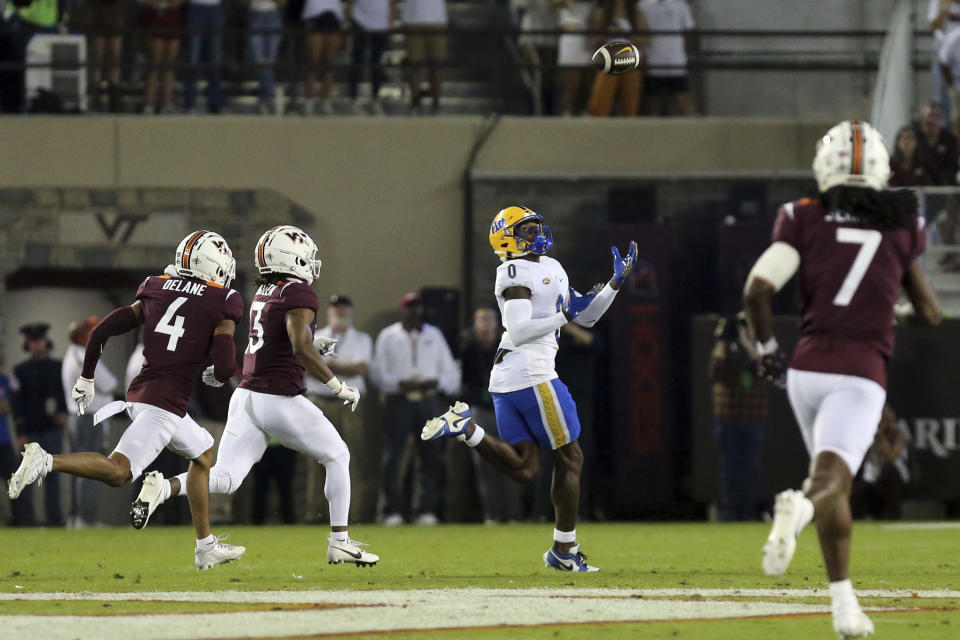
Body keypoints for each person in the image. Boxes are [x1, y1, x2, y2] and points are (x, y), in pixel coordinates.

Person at [742, 120, 942, 638]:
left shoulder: (802, 216)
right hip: (859, 373)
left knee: (835, 487)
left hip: (807, 371)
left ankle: (844, 606)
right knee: (828, 484)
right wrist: (892, 310)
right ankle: (798, 506)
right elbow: (931, 313)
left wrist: (766, 350)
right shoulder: (900, 224)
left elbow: (758, 290)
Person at [135, 225, 379, 566]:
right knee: (338, 455)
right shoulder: (300, 294)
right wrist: (337, 386)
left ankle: (164, 488)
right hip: (278, 399)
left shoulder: (266, 291)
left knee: (226, 477)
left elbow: (278, 341)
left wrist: (312, 343)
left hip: (246, 395)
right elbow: (298, 346)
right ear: (293, 259)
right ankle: (340, 540)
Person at [8, 230, 246, 569]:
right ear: (214, 266)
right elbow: (224, 365)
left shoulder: (156, 286)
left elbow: (103, 330)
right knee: (119, 471)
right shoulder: (224, 301)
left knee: (204, 453)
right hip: (162, 405)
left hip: (149, 395)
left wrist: (86, 376)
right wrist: (218, 375)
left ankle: (205, 545)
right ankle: (46, 461)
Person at [421, 205, 637, 571]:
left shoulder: (551, 266)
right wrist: (565, 315)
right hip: (532, 371)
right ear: (507, 237)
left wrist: (614, 284)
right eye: (527, 229)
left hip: (509, 377)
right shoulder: (513, 270)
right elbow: (520, 330)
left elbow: (587, 315)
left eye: (537, 226)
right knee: (572, 458)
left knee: (524, 469)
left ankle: (466, 428)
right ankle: (563, 551)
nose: (537, 233)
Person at [372, 291, 460, 526]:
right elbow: (378, 372)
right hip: (399, 400)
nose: (413, 312)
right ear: (402, 310)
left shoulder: (434, 335)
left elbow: (449, 371)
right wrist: (397, 384)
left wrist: (437, 383)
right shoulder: (388, 336)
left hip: (428, 399)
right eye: (409, 307)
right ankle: (391, 510)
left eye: (417, 307)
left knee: (430, 456)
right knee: (395, 456)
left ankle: (426, 509)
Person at [304, 294, 374, 523]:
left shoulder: (361, 338)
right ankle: (316, 513)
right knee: (316, 458)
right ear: (329, 311)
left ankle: (353, 514)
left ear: (351, 312)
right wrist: (338, 368)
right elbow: (304, 367)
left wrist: (324, 365)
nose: (340, 312)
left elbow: (360, 368)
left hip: (348, 403)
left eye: (344, 308)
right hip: (319, 402)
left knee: (351, 456)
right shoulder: (315, 336)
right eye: (336, 308)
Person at [458, 307, 522, 524]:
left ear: (497, 323)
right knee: (483, 464)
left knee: (511, 461)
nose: (485, 325)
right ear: (475, 325)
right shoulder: (467, 349)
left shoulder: (509, 346)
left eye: (489, 320)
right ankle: (491, 514)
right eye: (481, 320)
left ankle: (513, 514)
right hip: (479, 411)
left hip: (505, 411)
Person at [61, 316, 120, 528]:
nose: (92, 335)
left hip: (77, 418)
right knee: (90, 469)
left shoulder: (72, 355)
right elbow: (110, 383)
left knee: (78, 470)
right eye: (88, 332)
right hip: (88, 418)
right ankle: (86, 519)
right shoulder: (83, 355)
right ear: (81, 336)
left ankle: (75, 518)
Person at [707, 312, 766, 522]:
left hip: (752, 418)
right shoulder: (724, 348)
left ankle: (748, 512)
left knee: (750, 469)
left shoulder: (760, 346)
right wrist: (724, 339)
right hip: (728, 419)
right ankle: (728, 513)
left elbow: (767, 368)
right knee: (729, 470)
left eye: (745, 324)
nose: (742, 328)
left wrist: (746, 341)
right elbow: (715, 371)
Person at [10, 322, 68, 526]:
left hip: (52, 429)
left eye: (39, 340)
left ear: (46, 341)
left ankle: (55, 521)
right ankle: (26, 521)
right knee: (26, 477)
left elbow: (64, 393)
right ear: (28, 344)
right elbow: (16, 404)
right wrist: (20, 432)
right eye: (32, 341)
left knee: (53, 477)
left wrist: (64, 412)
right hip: (31, 431)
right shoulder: (20, 371)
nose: (36, 344)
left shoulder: (58, 367)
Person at [586, 0, 647, 117]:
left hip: (630, 59)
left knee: (630, 100)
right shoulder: (602, 13)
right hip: (608, 60)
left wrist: (626, 34)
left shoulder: (635, 13)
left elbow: (646, 39)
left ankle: (628, 126)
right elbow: (592, 40)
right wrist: (608, 34)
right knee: (601, 99)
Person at [852, 406, 910, 521]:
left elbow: (891, 457)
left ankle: (892, 516)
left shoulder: (900, 433)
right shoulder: (868, 433)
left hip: (896, 478)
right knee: (858, 488)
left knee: (889, 471)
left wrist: (879, 435)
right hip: (873, 477)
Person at [638, 0, 695, 116]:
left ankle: (693, 129)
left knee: (683, 100)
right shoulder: (642, 6)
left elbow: (689, 30)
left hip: (676, 61)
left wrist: (678, 48)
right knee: (653, 102)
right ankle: (652, 132)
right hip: (653, 61)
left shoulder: (680, 4)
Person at [139, 0, 185, 114]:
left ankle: (167, 102)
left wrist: (173, 3)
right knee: (154, 64)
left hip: (172, 20)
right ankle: (149, 102)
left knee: (169, 66)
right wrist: (155, 4)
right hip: (155, 20)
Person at [401, 0, 447, 114]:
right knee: (415, 65)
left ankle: (436, 100)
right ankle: (415, 100)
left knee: (436, 65)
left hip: (437, 21)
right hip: (413, 20)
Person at [300, 0, 344, 115]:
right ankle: (308, 101)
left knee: (329, 64)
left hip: (334, 15)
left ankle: (326, 101)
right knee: (313, 63)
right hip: (315, 14)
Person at [348, 0, 390, 114]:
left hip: (381, 22)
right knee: (357, 61)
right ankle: (353, 100)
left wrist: (389, 22)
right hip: (360, 19)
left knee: (376, 63)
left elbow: (393, 2)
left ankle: (375, 99)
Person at [184, 0, 226, 113]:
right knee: (193, 59)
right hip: (195, 8)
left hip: (215, 8)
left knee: (215, 60)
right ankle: (190, 103)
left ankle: (215, 103)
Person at [84, 0, 125, 112]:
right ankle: (95, 98)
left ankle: (114, 99)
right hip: (97, 14)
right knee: (97, 59)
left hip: (115, 15)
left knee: (114, 60)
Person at [247, 0, 287, 114]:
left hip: (273, 15)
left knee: (269, 61)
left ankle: (264, 99)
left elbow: (283, 3)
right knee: (259, 61)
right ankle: (271, 93)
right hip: (255, 15)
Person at [556, 0, 594, 116]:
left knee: (586, 87)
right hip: (571, 42)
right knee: (571, 88)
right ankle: (567, 115)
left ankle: (583, 115)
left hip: (589, 42)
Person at [911, 101, 959, 186]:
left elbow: (953, 166)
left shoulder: (950, 139)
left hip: (943, 186)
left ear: (941, 118)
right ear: (922, 117)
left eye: (936, 116)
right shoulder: (913, 137)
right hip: (917, 185)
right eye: (929, 115)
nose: (932, 119)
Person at [928, 0, 960, 121]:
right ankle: (944, 125)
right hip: (945, 42)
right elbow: (934, 24)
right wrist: (944, 10)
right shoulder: (939, 2)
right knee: (943, 96)